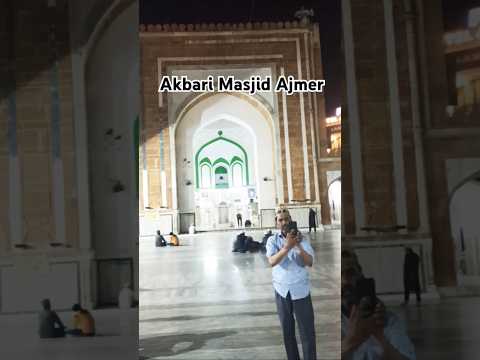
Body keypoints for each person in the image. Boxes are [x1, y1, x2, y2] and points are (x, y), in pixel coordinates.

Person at [341, 250, 416, 360]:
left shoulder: (388, 320)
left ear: (360, 275)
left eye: (349, 273)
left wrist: (379, 336)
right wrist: (351, 340)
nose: (344, 281)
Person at [266, 208, 316, 360]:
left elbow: (310, 262)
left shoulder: (302, 240)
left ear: (291, 220)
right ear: (276, 223)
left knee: (307, 332)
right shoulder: (272, 241)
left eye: (286, 219)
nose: (284, 222)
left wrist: (297, 246)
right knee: (288, 332)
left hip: (300, 290)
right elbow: (272, 261)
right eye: (280, 220)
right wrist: (287, 246)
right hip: (281, 291)